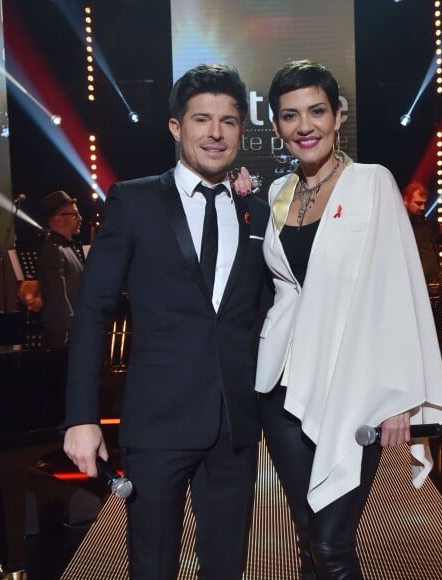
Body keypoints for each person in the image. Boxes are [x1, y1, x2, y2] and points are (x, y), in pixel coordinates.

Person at [62, 64, 270, 580]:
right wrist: (81, 416)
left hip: (233, 426)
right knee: (152, 565)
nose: (215, 133)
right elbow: (92, 312)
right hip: (158, 423)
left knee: (226, 567)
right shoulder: (134, 201)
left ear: (242, 129)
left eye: (228, 121)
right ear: (177, 128)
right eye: (202, 119)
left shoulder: (257, 213)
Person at [255, 60, 442, 579]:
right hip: (280, 390)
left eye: (317, 111)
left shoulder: (371, 183)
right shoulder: (275, 194)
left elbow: (398, 287)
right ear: (276, 126)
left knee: (332, 541)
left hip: (353, 387)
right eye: (290, 116)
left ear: (338, 116)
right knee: (306, 531)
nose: (305, 126)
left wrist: (401, 395)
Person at [36, 190, 85, 348]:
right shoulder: (53, 249)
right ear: (58, 219)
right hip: (61, 335)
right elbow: (59, 296)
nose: (80, 218)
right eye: (74, 215)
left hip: (69, 330)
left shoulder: (68, 247)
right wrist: (73, 325)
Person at [402, 181, 442, 287]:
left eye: (424, 203)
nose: (423, 208)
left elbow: (430, 247)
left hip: (432, 282)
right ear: (406, 200)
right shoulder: (400, 223)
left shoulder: (423, 222)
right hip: (413, 283)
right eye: (418, 203)